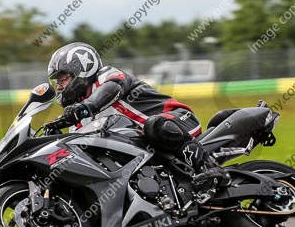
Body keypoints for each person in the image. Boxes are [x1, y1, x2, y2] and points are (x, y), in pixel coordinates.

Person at [47, 42, 227, 195]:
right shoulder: (80, 120)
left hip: (177, 121)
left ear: (83, 69)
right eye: (57, 82)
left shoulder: (105, 77)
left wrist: (85, 108)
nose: (60, 86)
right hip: (150, 148)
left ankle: (208, 167)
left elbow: (112, 87)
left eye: (64, 78)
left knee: (154, 125)